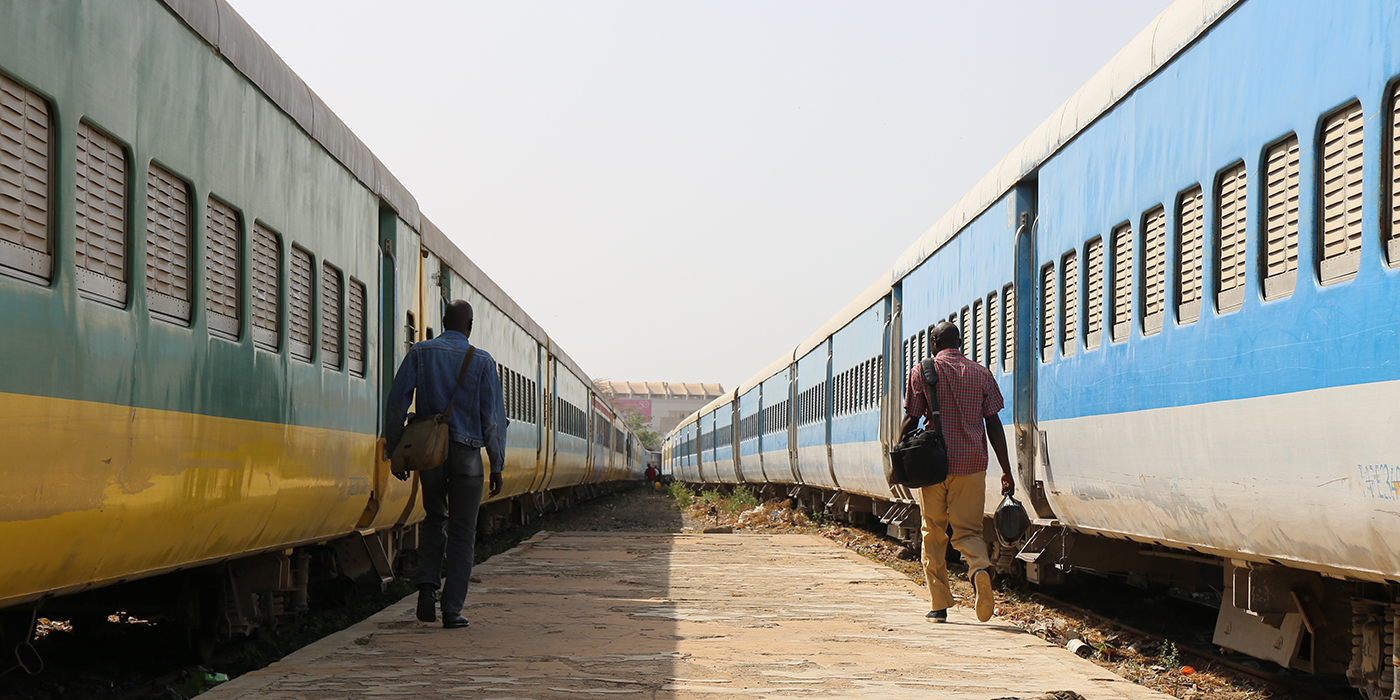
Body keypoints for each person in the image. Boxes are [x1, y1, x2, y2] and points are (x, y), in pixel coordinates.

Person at [383, 299, 506, 630]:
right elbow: (493, 420)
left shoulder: (420, 353)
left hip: (430, 453)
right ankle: (452, 610)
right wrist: (497, 463)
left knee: (434, 519)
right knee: (464, 531)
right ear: (470, 326)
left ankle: (426, 590)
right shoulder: (482, 360)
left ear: (443, 322)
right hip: (467, 457)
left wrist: (395, 449)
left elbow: (397, 404)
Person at [900, 321, 1013, 624]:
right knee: (968, 531)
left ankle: (939, 605)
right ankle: (979, 570)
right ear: (960, 342)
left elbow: (912, 419)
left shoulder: (922, 372)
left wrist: (896, 460)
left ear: (934, 343)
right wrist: (1006, 470)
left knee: (934, 532)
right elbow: (994, 425)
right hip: (972, 464)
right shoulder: (981, 374)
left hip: (933, 465)